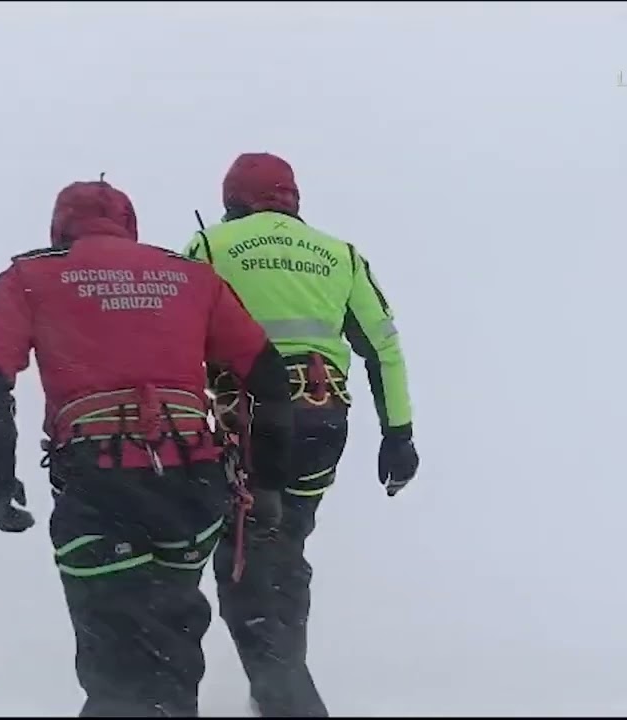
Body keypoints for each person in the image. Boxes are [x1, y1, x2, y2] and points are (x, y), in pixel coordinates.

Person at [0, 178, 294, 717]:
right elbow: (269, 375)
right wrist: (268, 482)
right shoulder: (192, 278)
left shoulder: (31, 278)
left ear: (60, 227)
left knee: (113, 657)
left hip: (100, 484)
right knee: (173, 647)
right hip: (191, 485)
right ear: (129, 226)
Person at [182, 152, 422, 717]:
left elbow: (177, 333)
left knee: (244, 556)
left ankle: (286, 697)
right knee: (285, 546)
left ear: (232, 200)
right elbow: (384, 348)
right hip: (322, 420)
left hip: (248, 420)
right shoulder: (341, 254)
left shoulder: (211, 244)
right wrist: (399, 434)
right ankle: (281, 684)